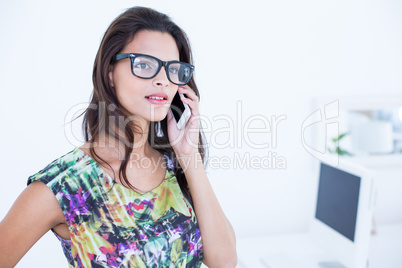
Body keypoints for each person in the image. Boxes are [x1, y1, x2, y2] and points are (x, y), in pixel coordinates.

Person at [0, 6, 237, 268]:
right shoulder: (65, 186)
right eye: (145, 64)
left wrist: (188, 156)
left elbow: (223, 261)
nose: (163, 80)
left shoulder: (175, 164)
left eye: (173, 69)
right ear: (110, 73)